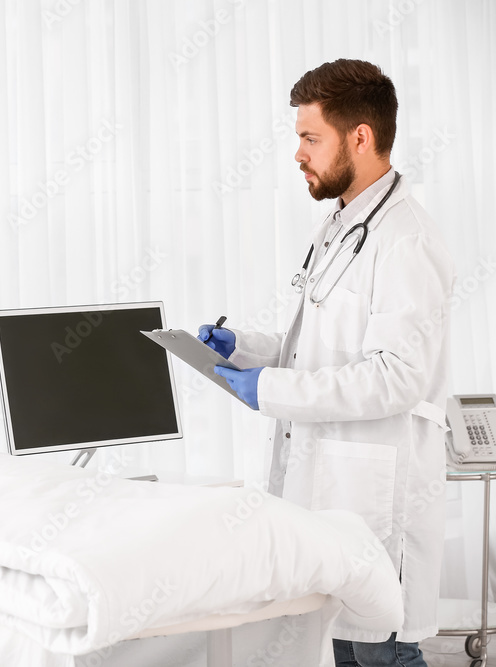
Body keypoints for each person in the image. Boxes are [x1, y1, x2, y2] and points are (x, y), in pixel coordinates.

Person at [199, 59, 455, 667]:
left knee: (381, 653)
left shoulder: (406, 240)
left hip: (375, 497)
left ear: (360, 137)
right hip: (332, 494)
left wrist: (273, 390)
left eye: (310, 138)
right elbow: (320, 347)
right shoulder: (340, 225)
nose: (298, 154)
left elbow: (396, 376)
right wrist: (248, 350)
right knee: (340, 646)